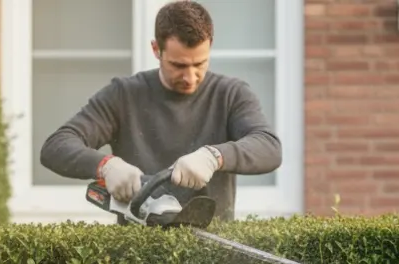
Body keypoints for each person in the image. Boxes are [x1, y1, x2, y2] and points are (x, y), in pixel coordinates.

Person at [38, 0, 281, 223]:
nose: (190, 77)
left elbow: (268, 147)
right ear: (156, 49)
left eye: (200, 64)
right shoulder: (123, 95)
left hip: (214, 256)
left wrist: (214, 156)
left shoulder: (230, 94)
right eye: (178, 65)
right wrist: (105, 166)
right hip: (134, 256)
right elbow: (56, 146)